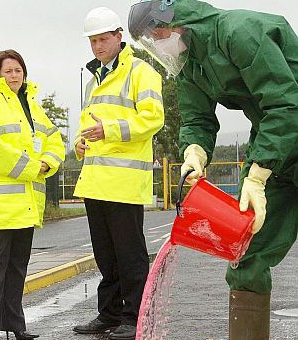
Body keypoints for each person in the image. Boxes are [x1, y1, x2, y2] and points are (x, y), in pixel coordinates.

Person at [128, 0, 298, 339]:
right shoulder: (191, 64)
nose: (157, 43)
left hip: (281, 134)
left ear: (175, 18)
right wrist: (194, 151)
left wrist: (258, 173)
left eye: (155, 33)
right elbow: (196, 119)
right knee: (247, 254)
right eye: (149, 39)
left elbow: (285, 104)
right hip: (276, 144)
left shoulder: (239, 32)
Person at [72, 7, 164, 340]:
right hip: (96, 183)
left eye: (102, 40)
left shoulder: (141, 72)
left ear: (118, 37)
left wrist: (108, 130)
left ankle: (133, 316)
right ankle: (108, 314)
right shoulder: (94, 81)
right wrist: (79, 144)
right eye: (93, 41)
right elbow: (87, 126)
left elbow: (153, 119)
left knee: (130, 255)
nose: (97, 47)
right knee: (106, 256)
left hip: (124, 183)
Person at [0, 49, 65, 340]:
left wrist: (49, 162)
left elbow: (54, 139)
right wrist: (32, 167)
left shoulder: (32, 106)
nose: (14, 76)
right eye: (8, 71)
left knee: (17, 269)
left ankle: (16, 326)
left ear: (25, 73)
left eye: (18, 70)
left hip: (25, 205)